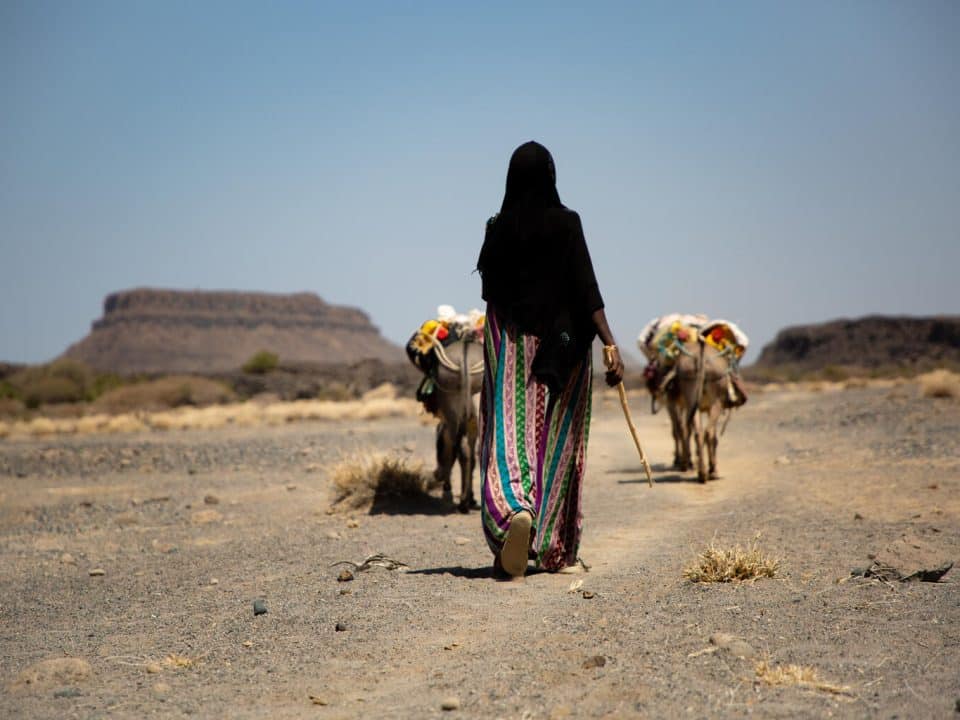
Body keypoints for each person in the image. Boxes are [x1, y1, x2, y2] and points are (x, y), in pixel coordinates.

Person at [476, 141, 624, 579]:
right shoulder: (567, 222)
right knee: (560, 440)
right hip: (565, 346)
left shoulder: (497, 227)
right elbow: (586, 288)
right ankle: (557, 550)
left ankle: (513, 513)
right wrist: (609, 344)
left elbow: (490, 291)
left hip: (510, 344)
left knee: (509, 433)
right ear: (551, 176)